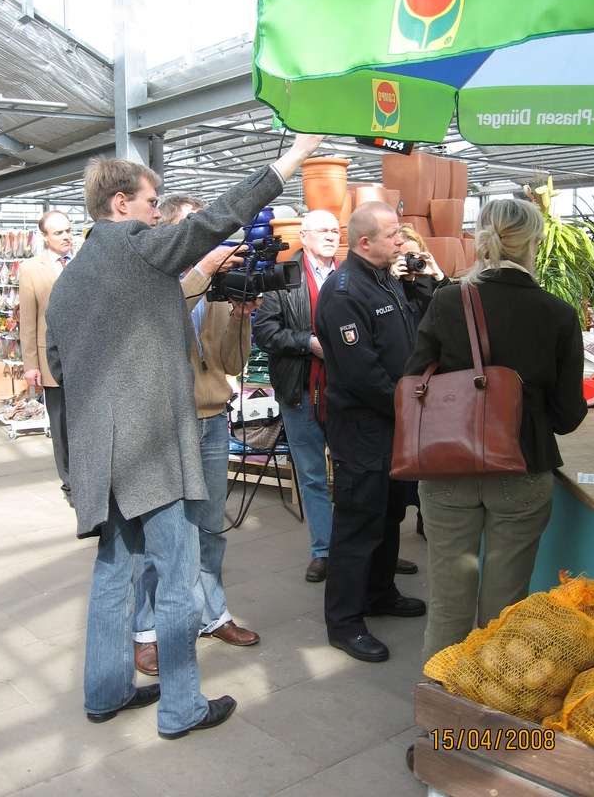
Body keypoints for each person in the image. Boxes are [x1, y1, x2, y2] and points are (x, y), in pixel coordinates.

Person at [44, 132, 323, 738]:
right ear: (121, 204)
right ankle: (181, 707)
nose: (155, 211)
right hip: (151, 452)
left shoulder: (68, 282)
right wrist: (294, 156)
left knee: (114, 571)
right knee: (176, 571)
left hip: (101, 456)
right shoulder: (141, 250)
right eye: (151, 201)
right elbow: (223, 214)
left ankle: (106, 691)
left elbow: (59, 371)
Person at [404, 198, 588, 666]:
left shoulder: (447, 300)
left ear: (480, 238)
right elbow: (567, 416)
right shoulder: (559, 314)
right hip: (522, 469)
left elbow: (411, 381)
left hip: (448, 471)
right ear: (535, 243)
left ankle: (437, 724)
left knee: (448, 603)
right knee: (504, 611)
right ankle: (487, 719)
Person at [133, 216, 260, 678]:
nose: (202, 240)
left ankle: (212, 613)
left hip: (210, 421)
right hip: (165, 423)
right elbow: (160, 314)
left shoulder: (218, 288)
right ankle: (145, 631)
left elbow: (232, 362)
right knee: (162, 533)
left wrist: (242, 320)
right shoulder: (155, 281)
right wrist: (203, 270)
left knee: (210, 529)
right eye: (191, 231)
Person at [314, 201, 426, 663]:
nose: (401, 241)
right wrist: (411, 409)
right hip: (364, 429)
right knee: (358, 523)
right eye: (393, 234)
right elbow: (363, 375)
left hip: (392, 425)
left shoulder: (386, 279)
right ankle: (344, 621)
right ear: (365, 242)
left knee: (389, 513)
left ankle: (380, 594)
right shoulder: (344, 292)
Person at [252, 209, 339, 583]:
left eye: (335, 230)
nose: (331, 236)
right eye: (322, 230)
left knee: (354, 472)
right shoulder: (281, 278)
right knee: (312, 475)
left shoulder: (350, 274)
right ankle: (323, 550)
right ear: (303, 236)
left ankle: (359, 546)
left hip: (345, 391)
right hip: (299, 391)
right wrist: (308, 343)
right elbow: (265, 332)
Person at [390, 224, 450, 541]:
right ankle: (401, 517)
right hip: (401, 381)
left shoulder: (430, 284)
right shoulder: (388, 286)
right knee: (405, 456)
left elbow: (453, 313)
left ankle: (427, 520)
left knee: (430, 455)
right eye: (404, 257)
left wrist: (437, 274)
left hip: (432, 383)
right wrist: (394, 276)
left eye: (414, 255)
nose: (411, 262)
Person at [19, 211, 74, 506]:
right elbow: (28, 320)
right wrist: (30, 365)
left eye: (68, 230)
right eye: (58, 233)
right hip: (51, 362)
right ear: (44, 237)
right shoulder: (30, 269)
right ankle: (70, 484)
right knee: (62, 424)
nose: (65, 237)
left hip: (86, 358)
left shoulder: (83, 262)